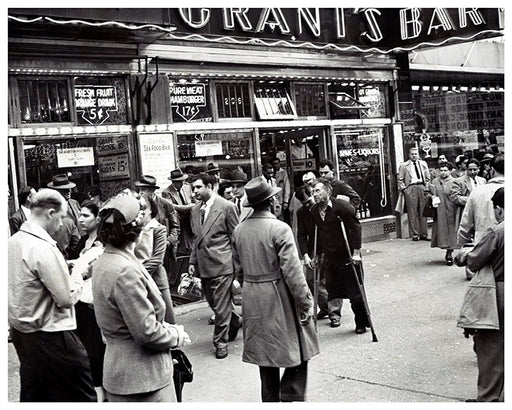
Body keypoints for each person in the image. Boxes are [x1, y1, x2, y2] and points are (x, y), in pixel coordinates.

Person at [92, 192, 190, 402]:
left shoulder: (104, 261)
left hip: (119, 371)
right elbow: (147, 332)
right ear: (138, 230)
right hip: (143, 378)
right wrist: (176, 336)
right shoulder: (125, 269)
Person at [232, 176, 319, 402]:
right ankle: (290, 395)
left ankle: (270, 399)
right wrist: (306, 302)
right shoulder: (280, 228)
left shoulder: (240, 230)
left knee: (265, 355)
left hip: (252, 294)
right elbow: (293, 272)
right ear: (271, 202)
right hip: (278, 294)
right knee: (300, 345)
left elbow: (237, 266)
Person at [8, 188, 96, 402]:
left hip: (22, 332)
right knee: (82, 395)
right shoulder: (43, 247)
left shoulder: (14, 242)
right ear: (50, 213)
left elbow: (30, 277)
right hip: (51, 334)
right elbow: (66, 298)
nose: (62, 224)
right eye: (61, 217)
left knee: (36, 395)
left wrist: (64, 266)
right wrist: (79, 271)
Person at [454, 187, 504, 402]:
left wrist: (462, 256)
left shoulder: (498, 231)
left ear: (499, 209)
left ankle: (488, 398)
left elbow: (475, 260)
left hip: (499, 294)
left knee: (490, 350)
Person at [188, 173, 242, 359]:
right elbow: (197, 238)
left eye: (197, 187)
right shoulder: (195, 210)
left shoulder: (227, 207)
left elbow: (236, 238)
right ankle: (234, 322)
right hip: (204, 266)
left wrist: (237, 268)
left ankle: (220, 342)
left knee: (220, 306)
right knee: (214, 304)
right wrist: (192, 261)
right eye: (193, 188)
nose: (194, 191)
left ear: (210, 186)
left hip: (223, 265)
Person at [309, 178, 369, 333]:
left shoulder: (342, 207)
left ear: (328, 192)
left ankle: (361, 322)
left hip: (347, 255)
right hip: (331, 257)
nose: (314, 194)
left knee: (355, 293)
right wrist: (316, 255)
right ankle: (335, 314)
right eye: (313, 191)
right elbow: (319, 234)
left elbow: (355, 228)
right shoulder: (315, 211)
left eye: (317, 191)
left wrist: (356, 252)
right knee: (333, 291)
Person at [70, 199, 106, 401]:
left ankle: (100, 394)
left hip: (94, 304)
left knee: (95, 351)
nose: (81, 219)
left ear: (97, 218)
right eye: (80, 215)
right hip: (80, 305)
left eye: (86, 215)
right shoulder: (80, 243)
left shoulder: (101, 245)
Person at [134, 193, 177, 324]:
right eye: (138, 208)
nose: (141, 211)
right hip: (138, 280)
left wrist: (135, 274)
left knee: (166, 320)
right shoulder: (134, 229)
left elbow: (157, 259)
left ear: (151, 210)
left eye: (143, 207)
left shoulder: (158, 229)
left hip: (156, 279)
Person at [135, 175, 180, 278]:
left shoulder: (165, 204)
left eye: (144, 190)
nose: (140, 193)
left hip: (163, 251)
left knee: (161, 277)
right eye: (140, 190)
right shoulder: (138, 205)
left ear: (152, 191)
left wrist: (168, 242)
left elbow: (175, 227)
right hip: (144, 251)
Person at [295, 185, 329, 319]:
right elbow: (301, 235)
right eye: (304, 204)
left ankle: (333, 312)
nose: (308, 206)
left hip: (328, 246)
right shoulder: (301, 212)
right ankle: (326, 306)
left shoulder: (323, 208)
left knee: (329, 279)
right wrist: (305, 255)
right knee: (310, 279)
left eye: (309, 202)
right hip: (313, 249)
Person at [458, 154, 504, 246]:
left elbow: (466, 225)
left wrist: (465, 246)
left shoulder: (477, 192)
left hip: (483, 245)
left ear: (492, 170)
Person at [397, 147, 431, 241]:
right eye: (412, 154)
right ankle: (415, 234)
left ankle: (424, 234)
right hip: (410, 188)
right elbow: (400, 180)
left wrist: (426, 187)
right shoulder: (404, 166)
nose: (414, 156)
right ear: (409, 155)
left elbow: (428, 177)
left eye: (416, 154)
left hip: (422, 187)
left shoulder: (423, 164)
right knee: (412, 213)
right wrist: (405, 190)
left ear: (418, 155)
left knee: (423, 212)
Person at [428, 162, 457, 265]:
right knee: (442, 230)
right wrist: (432, 196)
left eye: (445, 170)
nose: (443, 172)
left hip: (451, 209)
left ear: (450, 171)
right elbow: (427, 192)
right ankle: (446, 249)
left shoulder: (455, 182)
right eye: (441, 170)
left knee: (452, 231)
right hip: (439, 210)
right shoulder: (435, 182)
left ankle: (450, 252)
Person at [47, 174, 82, 259]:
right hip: (65, 253)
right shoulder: (52, 210)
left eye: (69, 189)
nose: (69, 191)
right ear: (57, 192)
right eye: (64, 190)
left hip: (80, 248)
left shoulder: (74, 203)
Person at [450, 158, 486, 231]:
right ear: (466, 169)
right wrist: (472, 200)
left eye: (475, 169)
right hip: (466, 212)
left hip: (481, 212)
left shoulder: (483, 180)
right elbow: (455, 197)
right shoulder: (459, 181)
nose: (472, 172)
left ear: (479, 169)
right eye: (470, 170)